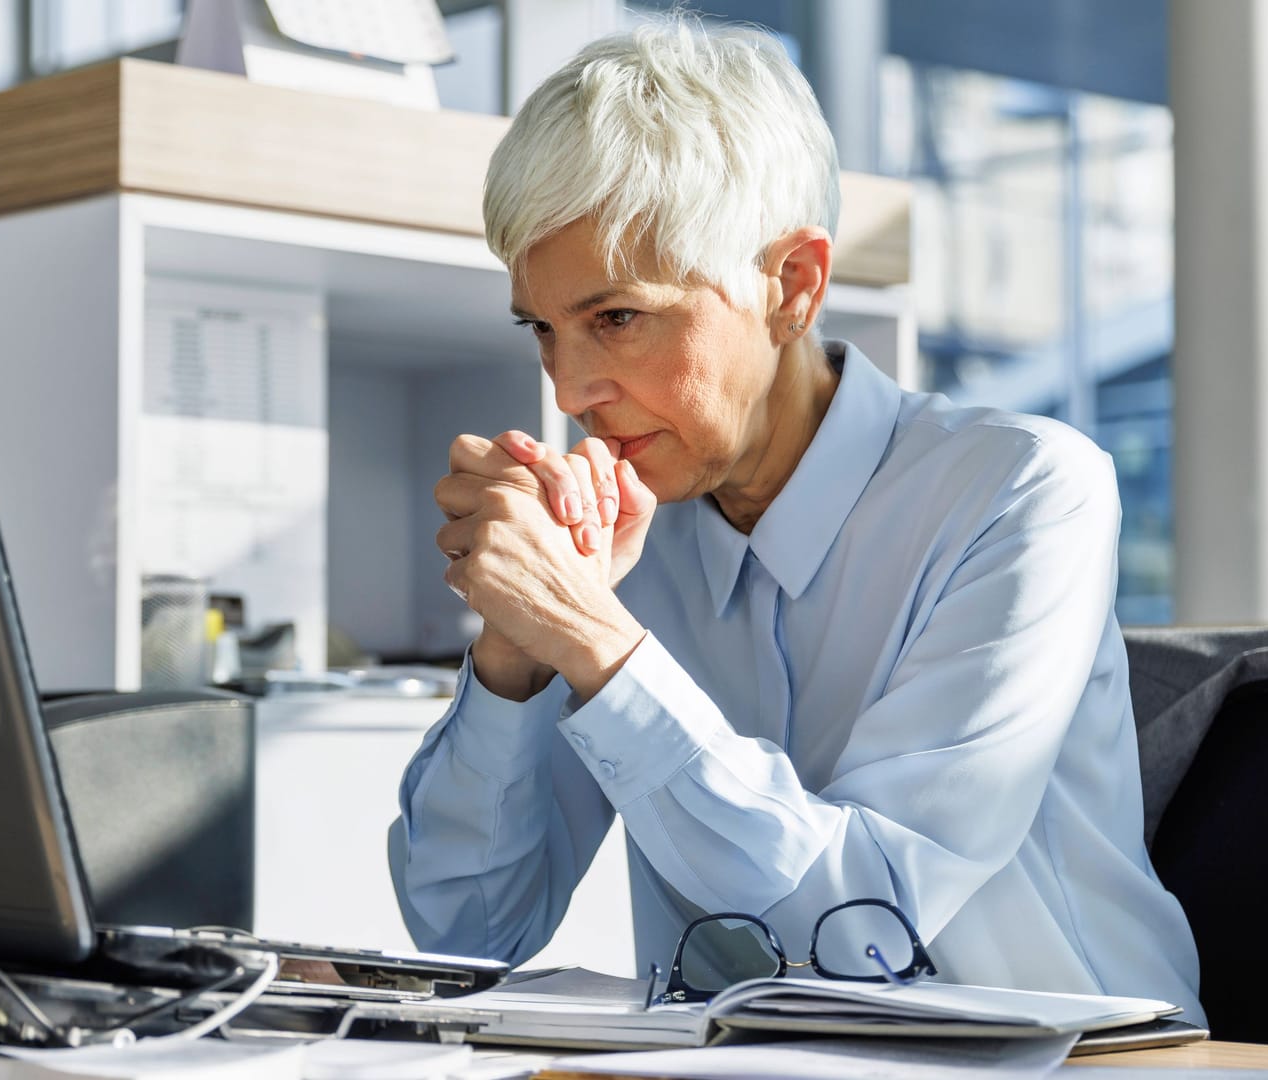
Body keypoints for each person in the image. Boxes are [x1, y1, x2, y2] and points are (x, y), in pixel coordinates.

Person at [388, 16, 1202, 1021]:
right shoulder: (628, 537)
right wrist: (516, 650)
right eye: (543, 330)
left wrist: (593, 640)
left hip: (1076, 1066)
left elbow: (862, 927)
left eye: (617, 319)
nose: (573, 387)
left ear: (792, 286)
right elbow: (466, 934)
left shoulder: (1023, 492)